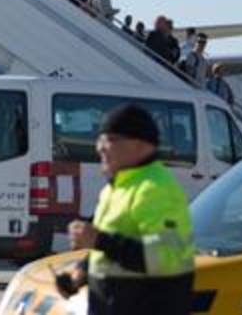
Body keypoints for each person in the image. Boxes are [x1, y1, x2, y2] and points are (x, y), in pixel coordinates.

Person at [66, 104, 195, 315]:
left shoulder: (155, 188)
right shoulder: (116, 187)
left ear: (141, 145)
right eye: (100, 139)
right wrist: (80, 273)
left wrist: (99, 240)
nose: (100, 147)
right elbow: (110, 251)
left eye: (110, 139)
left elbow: (166, 258)